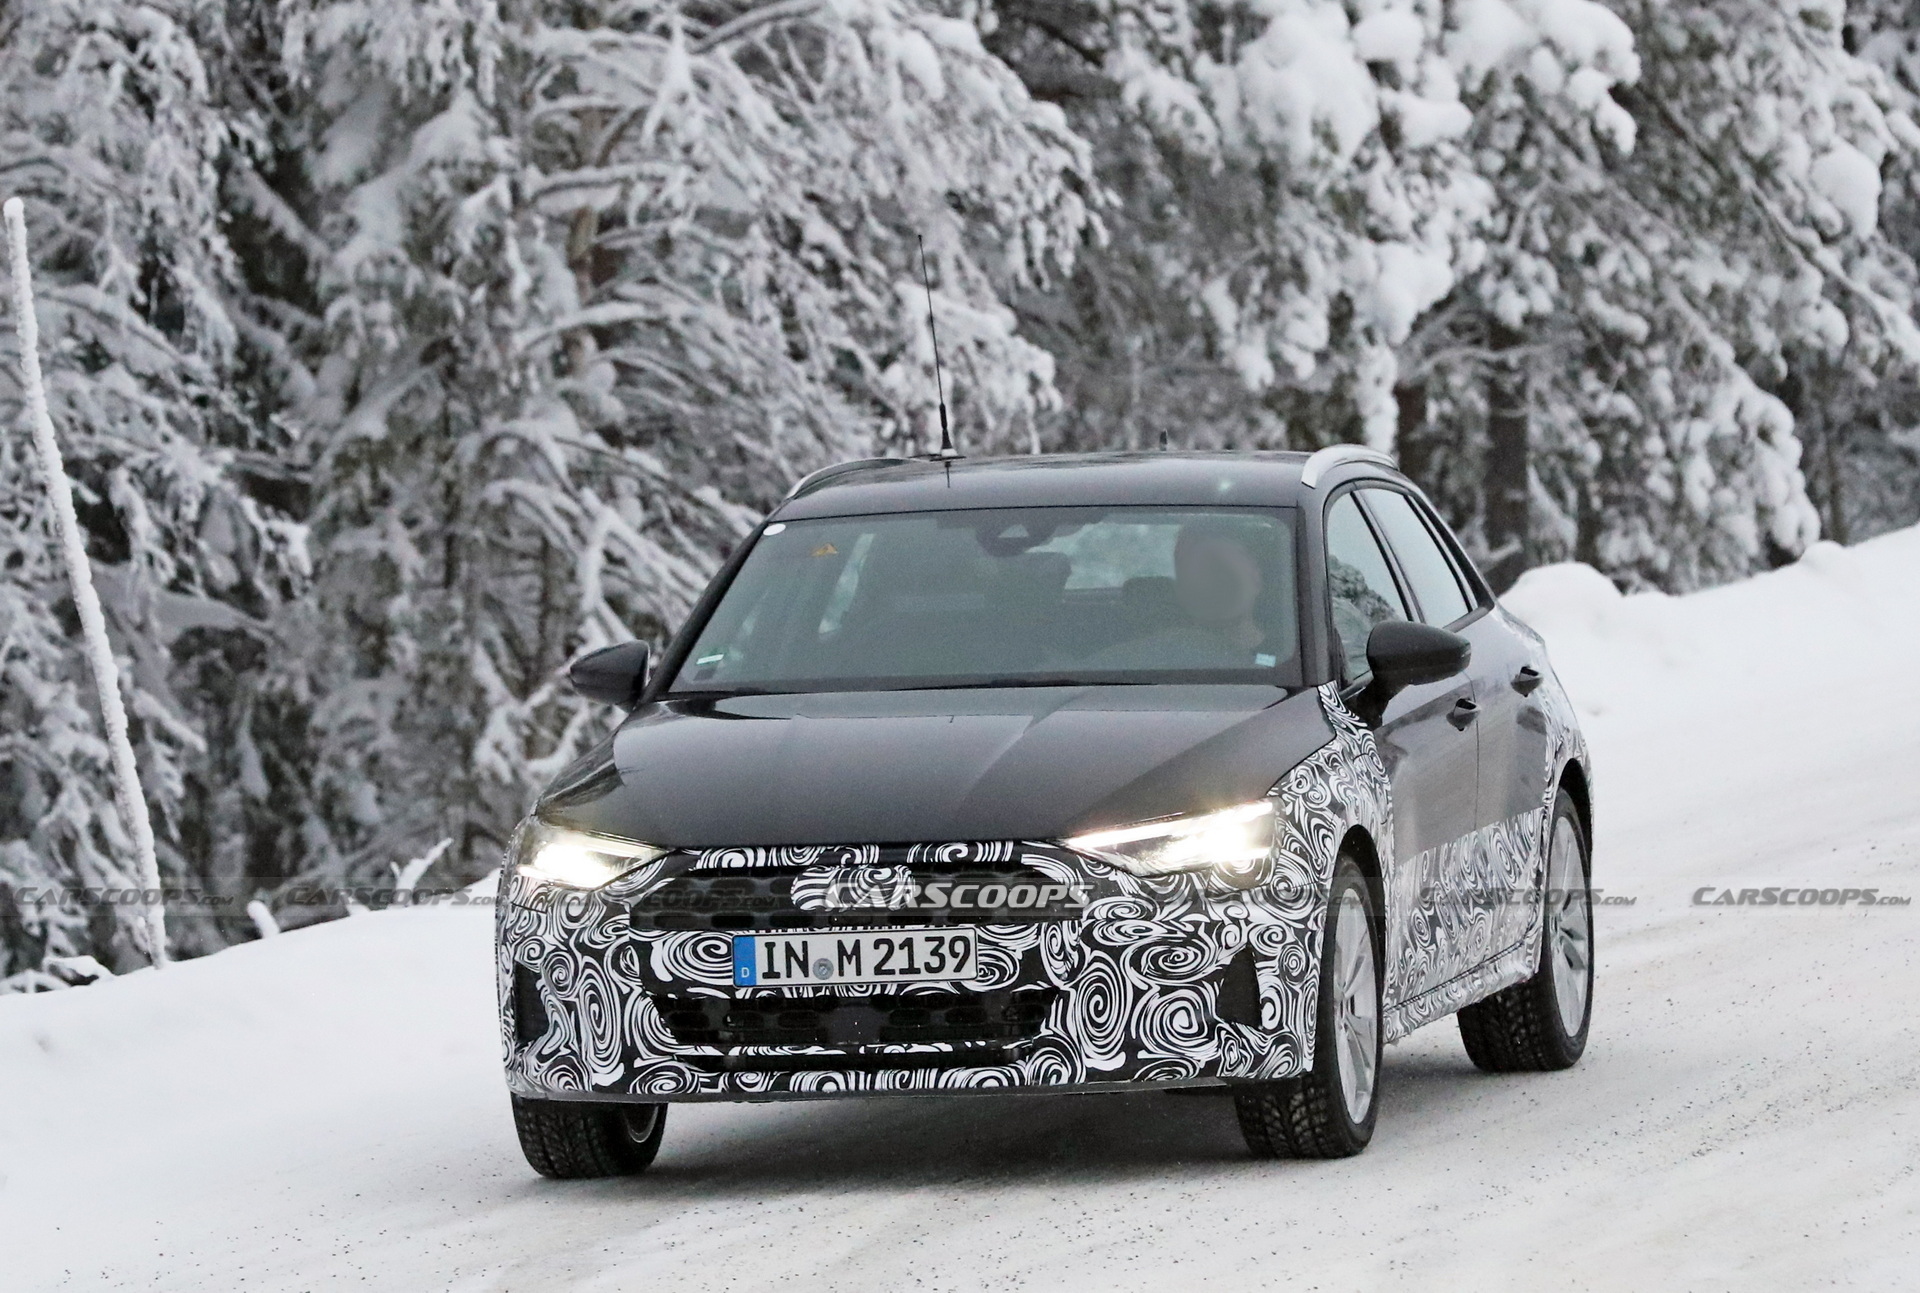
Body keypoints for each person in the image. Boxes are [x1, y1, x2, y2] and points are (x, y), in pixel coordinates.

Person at [1084, 521, 1277, 669]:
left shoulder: (1289, 658)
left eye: (1218, 569)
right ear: (1179, 588)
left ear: (1257, 575)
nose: (1208, 584)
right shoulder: (1138, 659)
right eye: (1191, 570)